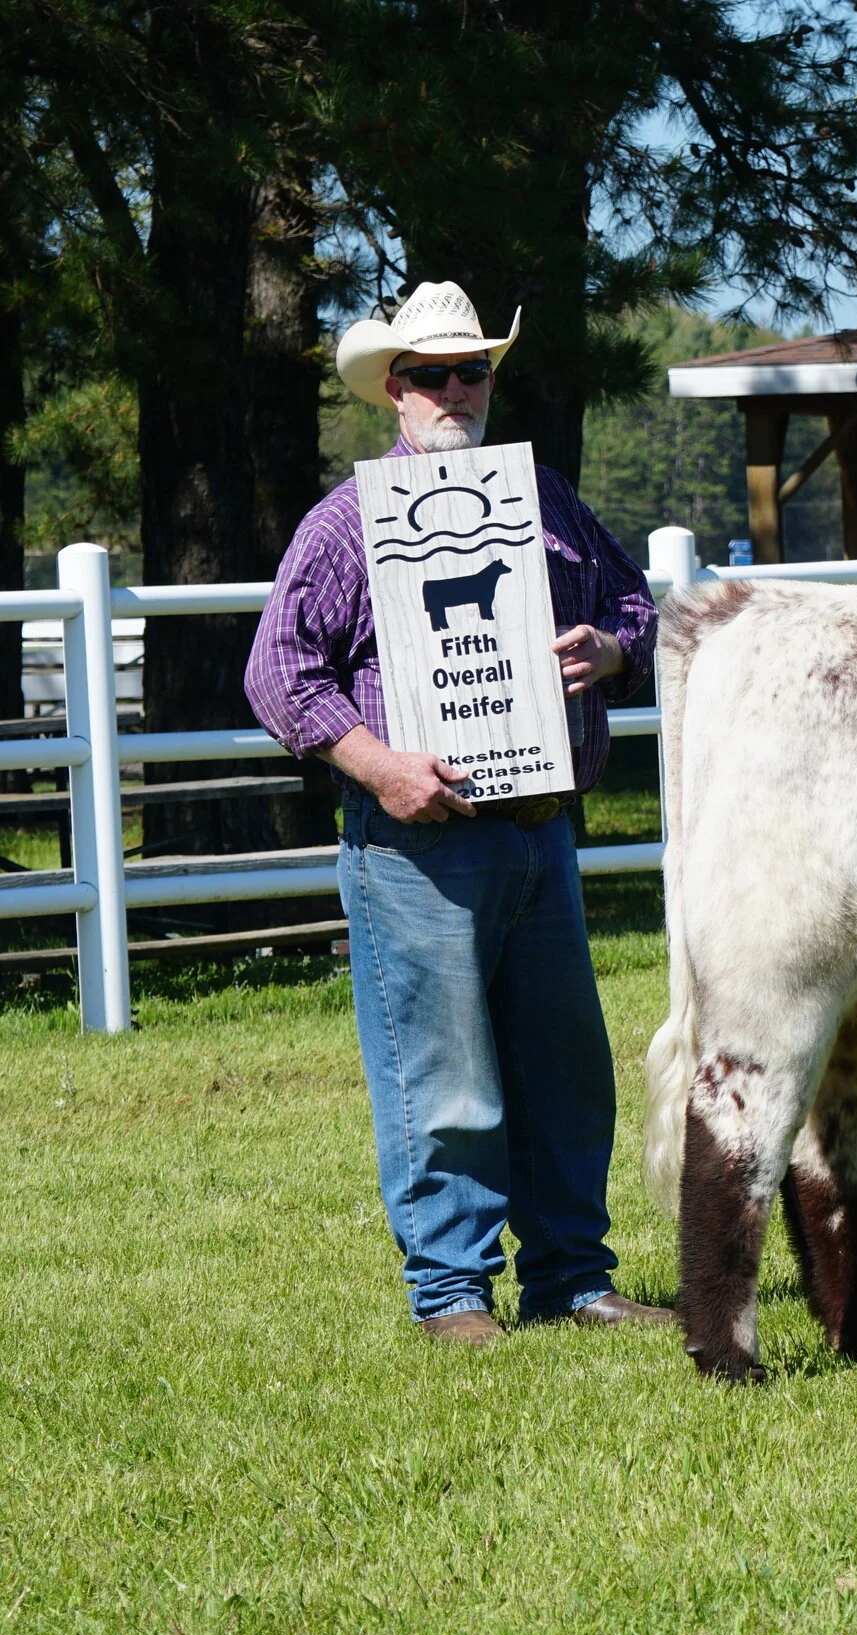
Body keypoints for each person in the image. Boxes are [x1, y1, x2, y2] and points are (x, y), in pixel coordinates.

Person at [245, 281, 674, 1345]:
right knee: (443, 1077)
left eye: (470, 370)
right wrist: (379, 766)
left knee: (567, 1071)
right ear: (394, 390)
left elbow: (637, 606)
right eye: (430, 375)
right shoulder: (347, 522)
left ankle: (571, 1277)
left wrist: (613, 649)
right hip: (419, 843)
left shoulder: (544, 499)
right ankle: (452, 1291)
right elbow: (278, 670)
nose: (453, 390)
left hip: (540, 829)